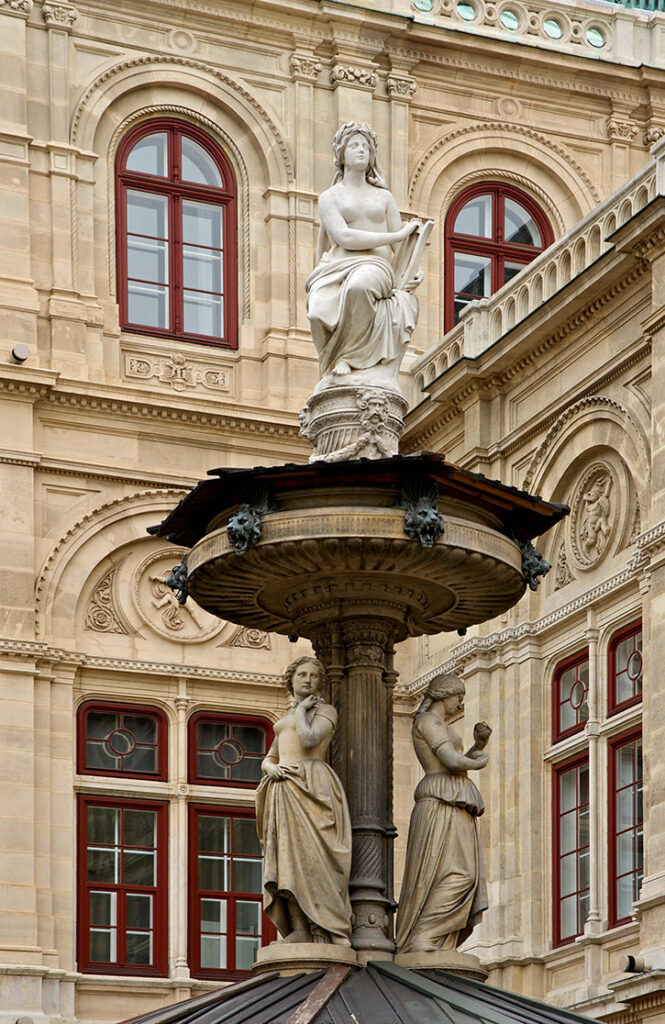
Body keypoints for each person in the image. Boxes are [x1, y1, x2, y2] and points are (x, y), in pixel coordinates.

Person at [306, 122, 425, 393]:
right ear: (341, 154)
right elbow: (344, 238)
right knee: (315, 313)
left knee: (360, 286)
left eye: (366, 146)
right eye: (354, 145)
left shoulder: (383, 197)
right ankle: (332, 359)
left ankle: (350, 357)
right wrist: (395, 237)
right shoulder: (329, 197)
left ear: (372, 156)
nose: (361, 150)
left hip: (377, 267)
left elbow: (403, 243)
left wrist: (412, 268)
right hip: (337, 266)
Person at [255, 656, 352, 945]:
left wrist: (300, 714)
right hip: (285, 788)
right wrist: (269, 768)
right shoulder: (287, 718)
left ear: (321, 682)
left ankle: (326, 926)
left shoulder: (326, 711)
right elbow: (271, 757)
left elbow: (310, 740)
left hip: (314, 785)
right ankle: (299, 926)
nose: (307, 679)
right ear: (291, 680)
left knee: (316, 860)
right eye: (301, 675)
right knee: (287, 862)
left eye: (313, 675)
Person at [395, 673, 490, 953]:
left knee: (463, 873)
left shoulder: (438, 724)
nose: (459, 704)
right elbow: (449, 760)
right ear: (444, 695)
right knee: (453, 873)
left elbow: (456, 761)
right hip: (441, 798)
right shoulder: (428, 722)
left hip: (452, 797)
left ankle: (435, 936)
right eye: (458, 698)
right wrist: (478, 762)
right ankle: (425, 934)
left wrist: (478, 746)